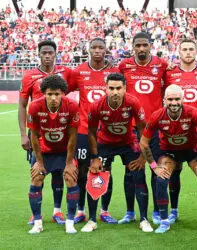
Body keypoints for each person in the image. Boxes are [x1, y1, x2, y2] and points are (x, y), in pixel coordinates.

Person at [140, 84, 197, 234]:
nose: (173, 103)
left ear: (182, 99)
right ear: (164, 100)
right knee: (161, 180)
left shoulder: (193, 113)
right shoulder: (157, 116)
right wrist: (154, 166)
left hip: (192, 150)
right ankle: (165, 220)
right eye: (170, 99)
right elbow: (143, 142)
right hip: (169, 151)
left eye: (177, 99)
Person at [83, 73, 153, 232]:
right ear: (106, 88)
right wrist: (94, 158)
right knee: (95, 177)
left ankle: (144, 219)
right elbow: (91, 133)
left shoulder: (133, 102)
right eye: (111, 88)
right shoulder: (96, 105)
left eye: (118, 88)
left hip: (128, 143)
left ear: (124, 88)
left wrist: (143, 156)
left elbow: (143, 129)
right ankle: (92, 220)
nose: (115, 92)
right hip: (105, 144)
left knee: (139, 176)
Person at [18, 40, 72, 225]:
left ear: (56, 53)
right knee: (37, 171)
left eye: (50, 52)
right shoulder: (29, 76)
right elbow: (22, 105)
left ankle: (57, 211)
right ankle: (36, 213)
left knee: (59, 174)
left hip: (61, 132)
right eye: (44, 52)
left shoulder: (65, 73)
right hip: (38, 134)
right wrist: (23, 134)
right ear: (39, 54)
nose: (47, 55)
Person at [164, 38, 197, 224]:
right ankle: (174, 210)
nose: (187, 52)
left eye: (191, 49)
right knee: (173, 171)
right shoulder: (169, 73)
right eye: (184, 49)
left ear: (196, 52)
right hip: (174, 132)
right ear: (179, 52)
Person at [69, 38, 120, 225]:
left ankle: (104, 211)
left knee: (106, 170)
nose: (97, 51)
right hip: (83, 130)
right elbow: (64, 92)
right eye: (94, 47)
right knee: (83, 171)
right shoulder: (79, 71)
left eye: (101, 47)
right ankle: (80, 210)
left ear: (106, 49)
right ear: (88, 49)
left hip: (106, 132)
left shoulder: (114, 72)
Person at [118, 32, 168, 225]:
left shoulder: (162, 65)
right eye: (137, 45)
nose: (141, 49)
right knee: (131, 171)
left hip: (155, 128)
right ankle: (130, 211)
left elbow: (168, 89)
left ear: (150, 46)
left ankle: (156, 211)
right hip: (131, 129)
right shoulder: (124, 66)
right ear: (133, 46)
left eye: (144, 45)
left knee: (157, 170)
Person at [27, 74, 80, 234]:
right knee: (37, 177)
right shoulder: (35, 106)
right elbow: (34, 136)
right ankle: (37, 222)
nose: (53, 98)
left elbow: (73, 136)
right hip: (44, 151)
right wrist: (39, 162)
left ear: (63, 93)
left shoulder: (71, 106)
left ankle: (70, 222)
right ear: (44, 93)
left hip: (65, 152)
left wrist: (70, 162)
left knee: (71, 178)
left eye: (57, 94)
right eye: (50, 94)